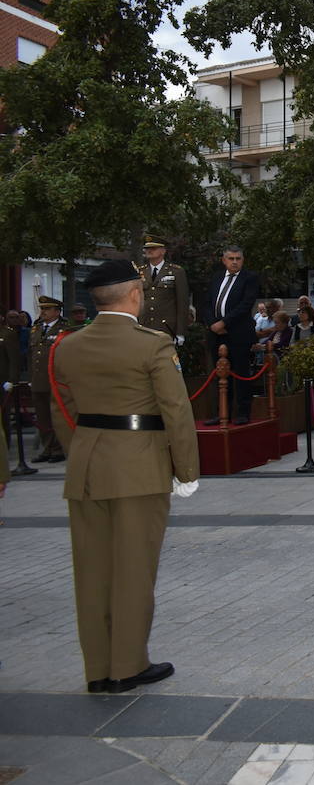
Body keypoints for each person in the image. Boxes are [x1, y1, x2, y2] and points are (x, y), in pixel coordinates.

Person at [50, 259, 199, 694]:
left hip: (86, 468)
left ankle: (97, 668)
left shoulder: (67, 346)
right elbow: (175, 410)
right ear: (135, 294)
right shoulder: (152, 344)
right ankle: (128, 666)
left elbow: (64, 411)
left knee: (92, 572)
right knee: (134, 569)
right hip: (139, 468)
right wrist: (186, 471)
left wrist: (83, 452)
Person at [201, 246, 260, 425]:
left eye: (238, 258)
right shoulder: (217, 277)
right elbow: (207, 303)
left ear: (243, 260)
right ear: (224, 260)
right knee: (220, 375)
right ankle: (222, 412)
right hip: (217, 334)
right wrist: (213, 324)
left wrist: (224, 323)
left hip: (238, 334)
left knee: (241, 374)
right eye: (231, 258)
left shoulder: (249, 278)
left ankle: (243, 412)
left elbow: (245, 304)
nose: (234, 262)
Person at [30, 295, 69, 461]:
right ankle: (47, 448)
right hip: (38, 381)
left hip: (56, 381)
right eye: (42, 309)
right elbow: (32, 356)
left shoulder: (65, 329)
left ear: (57, 311)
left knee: (57, 417)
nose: (43, 312)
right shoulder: (37, 329)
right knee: (42, 418)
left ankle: (58, 449)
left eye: (47, 309)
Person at [138, 235, 189, 343]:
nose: (149, 251)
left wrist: (180, 332)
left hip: (166, 327)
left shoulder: (176, 271)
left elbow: (182, 303)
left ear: (163, 251)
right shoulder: (140, 272)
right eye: (147, 248)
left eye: (153, 248)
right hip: (144, 326)